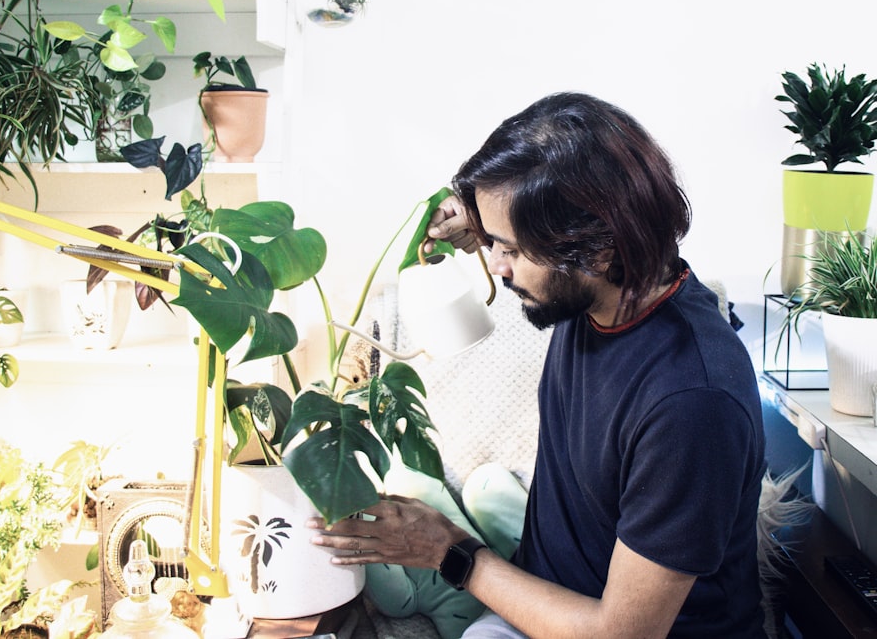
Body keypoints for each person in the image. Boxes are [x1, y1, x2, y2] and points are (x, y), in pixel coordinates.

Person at [308, 93, 767, 638]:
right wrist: (484, 221)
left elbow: (620, 633)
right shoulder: (603, 287)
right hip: (542, 604)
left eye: (512, 250)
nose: (498, 268)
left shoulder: (691, 401)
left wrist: (450, 552)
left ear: (594, 250)